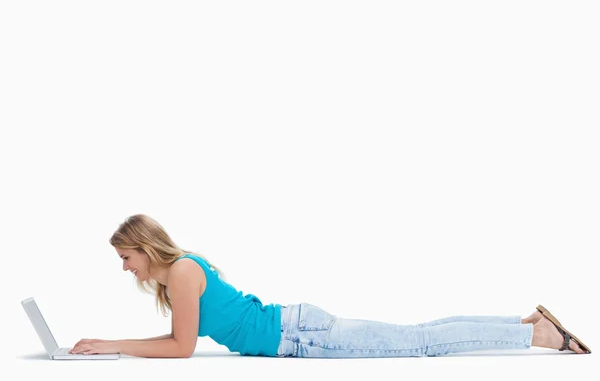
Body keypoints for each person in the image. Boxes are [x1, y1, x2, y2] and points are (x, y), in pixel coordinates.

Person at [69, 214, 591, 358]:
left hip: (301, 337)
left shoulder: (182, 271)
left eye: (125, 257)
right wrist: (109, 346)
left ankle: (535, 338)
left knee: (420, 343)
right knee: (420, 333)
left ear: (145, 247)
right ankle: (522, 324)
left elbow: (182, 350)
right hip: (298, 329)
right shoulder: (179, 274)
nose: (125, 268)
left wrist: (111, 345)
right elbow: (179, 341)